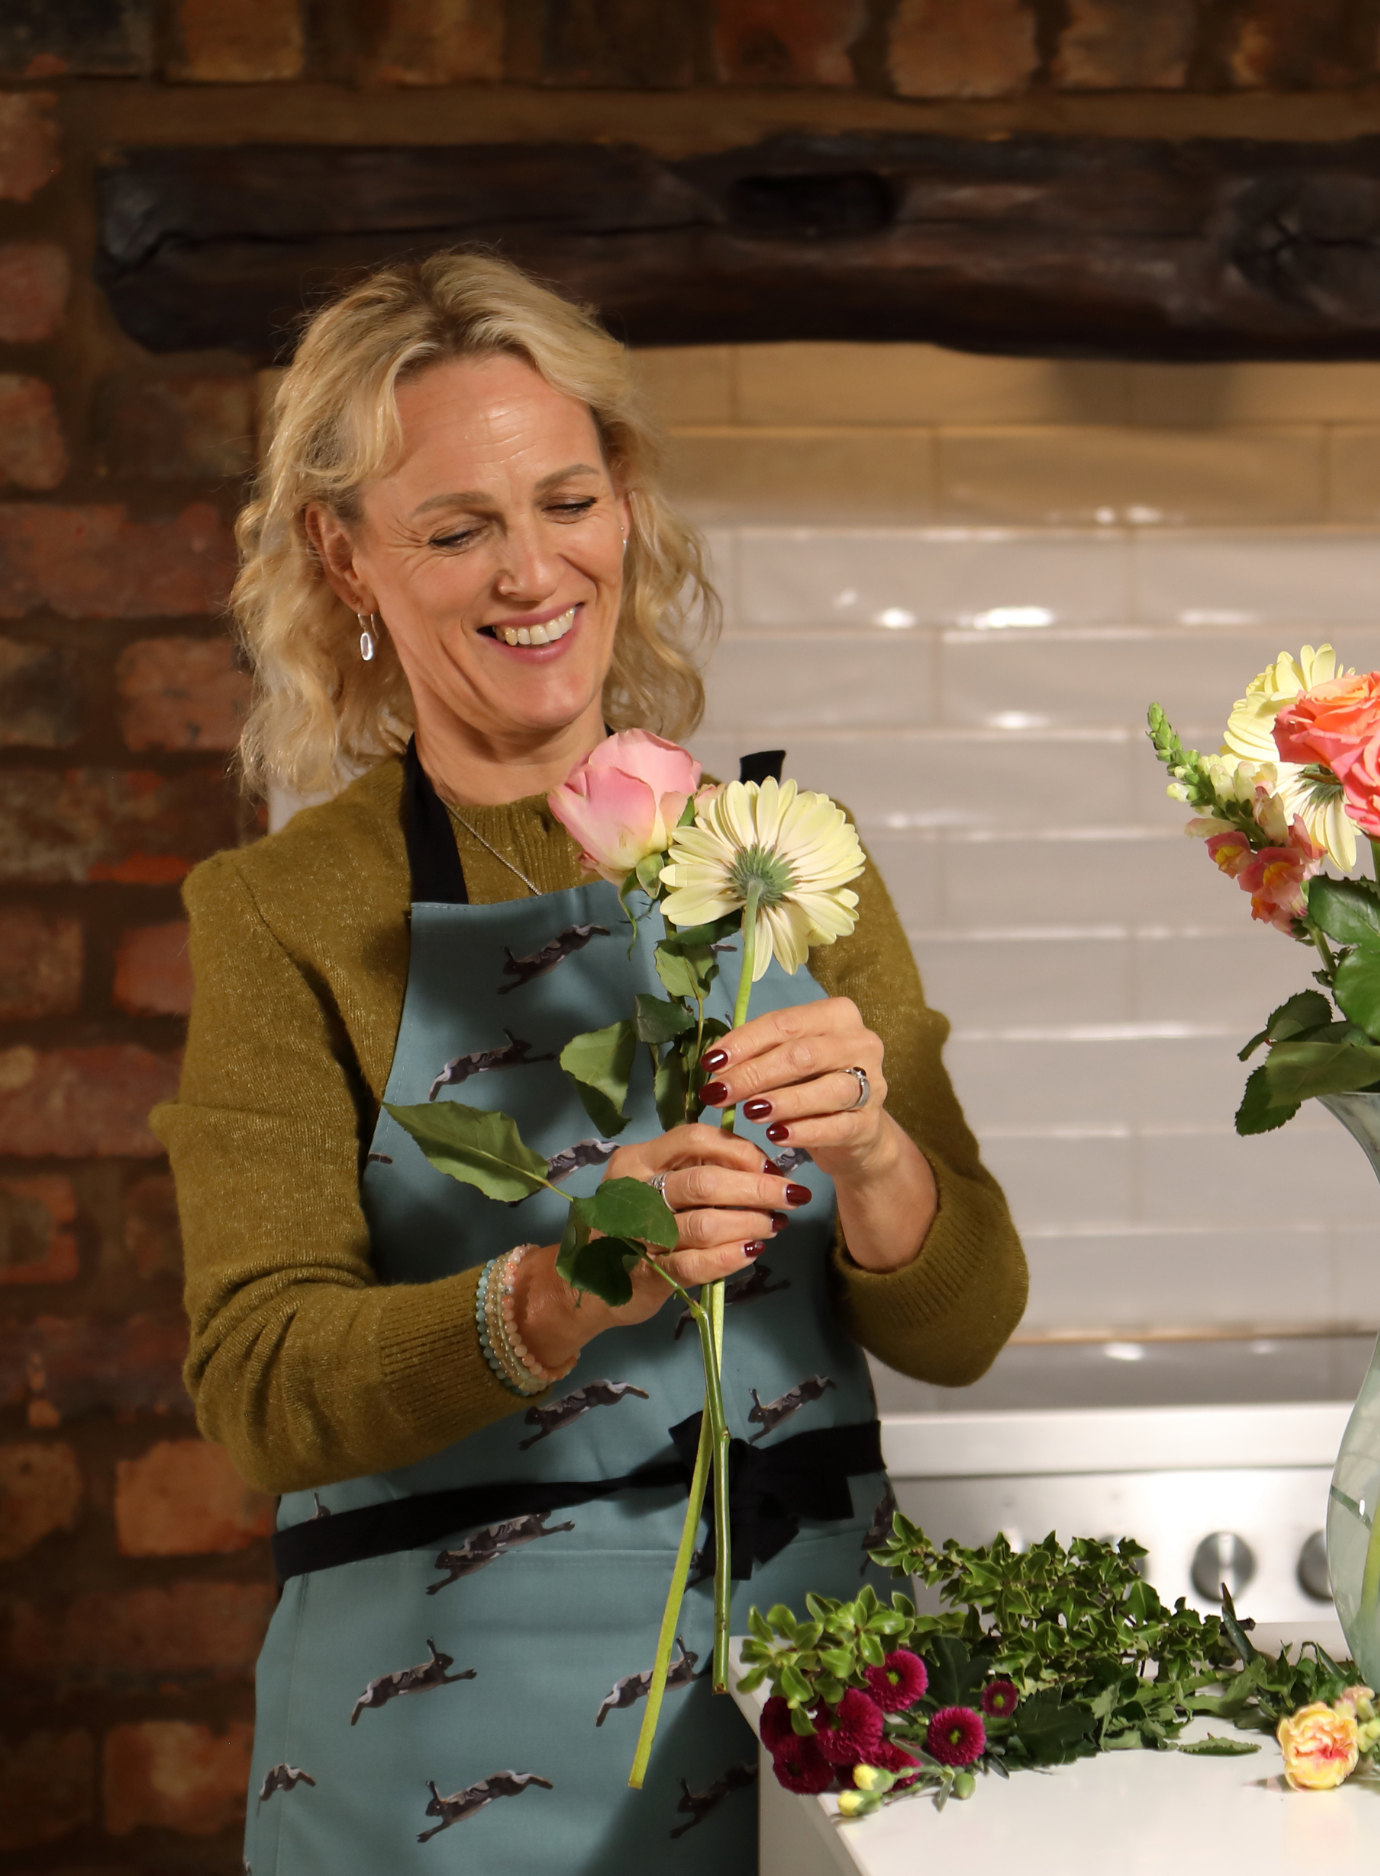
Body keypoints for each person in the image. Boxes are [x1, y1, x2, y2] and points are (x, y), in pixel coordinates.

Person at [152, 251, 1028, 1873]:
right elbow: (262, 1388)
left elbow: (967, 1328)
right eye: (457, 528)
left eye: (567, 500)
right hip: (455, 1768)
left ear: (624, 500)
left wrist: (887, 1166)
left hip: (819, 1725)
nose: (531, 571)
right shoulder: (287, 914)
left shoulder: (787, 857)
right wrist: (557, 1290)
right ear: (346, 559)